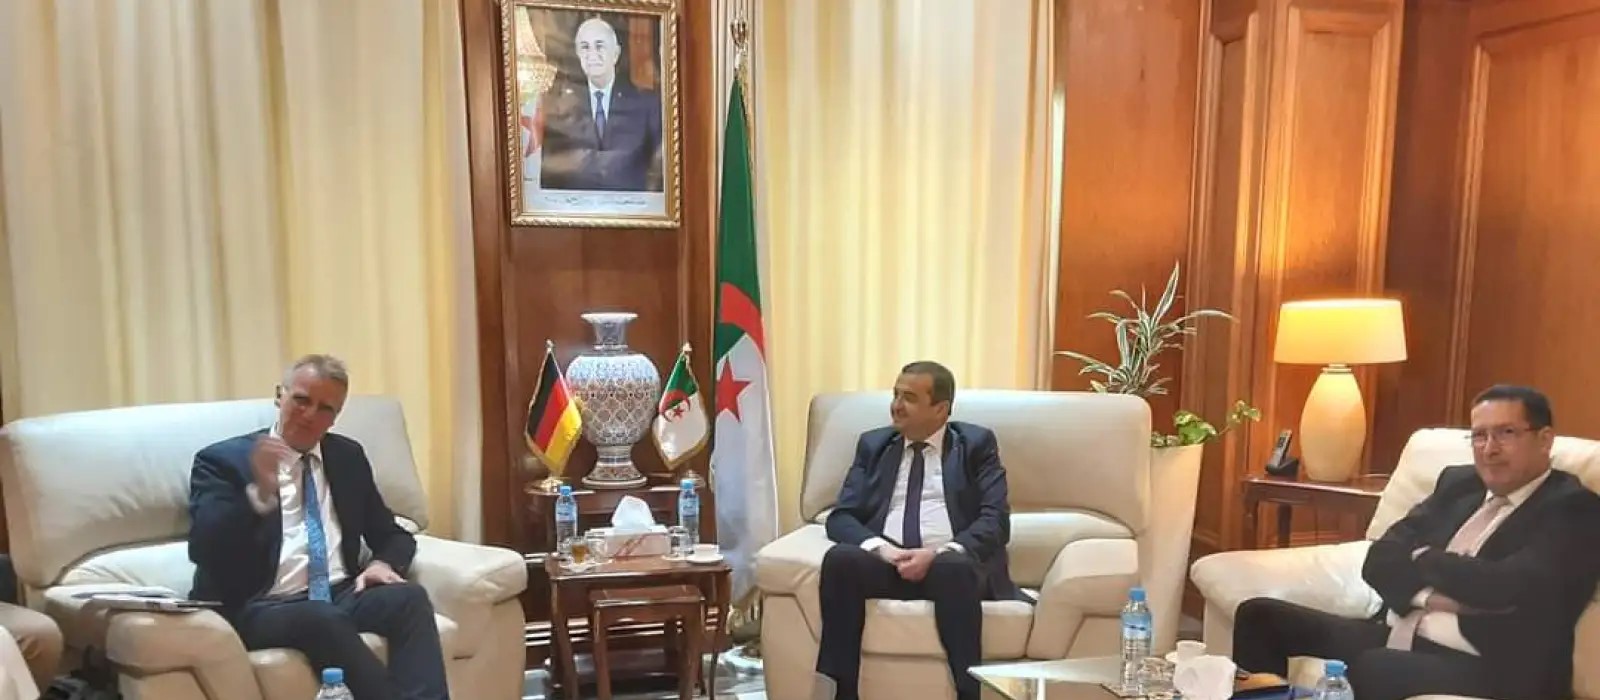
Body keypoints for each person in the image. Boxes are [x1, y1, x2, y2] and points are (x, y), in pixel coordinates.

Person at [1232, 385, 1600, 700]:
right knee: (1260, 616)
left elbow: (1507, 585)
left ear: (1544, 439)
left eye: (1506, 433)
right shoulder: (1459, 484)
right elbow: (1380, 557)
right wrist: (1431, 597)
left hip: (1499, 662)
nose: (1489, 449)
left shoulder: (1574, 508)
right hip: (1404, 629)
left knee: (1377, 667)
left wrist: (1424, 558)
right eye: (1479, 435)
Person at [187, 355, 448, 700]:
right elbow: (205, 549)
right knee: (320, 618)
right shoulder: (223, 461)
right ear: (279, 396)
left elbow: (391, 534)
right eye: (301, 400)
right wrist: (260, 493)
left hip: (339, 593)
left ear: (336, 416)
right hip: (259, 605)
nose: (310, 415)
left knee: (409, 598)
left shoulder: (347, 457)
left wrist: (382, 563)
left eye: (325, 408)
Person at [816, 361, 1020, 700]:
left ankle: (969, 693)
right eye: (895, 395)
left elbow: (996, 520)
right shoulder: (874, 445)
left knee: (954, 567)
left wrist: (937, 554)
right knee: (840, 560)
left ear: (940, 409)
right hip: (889, 563)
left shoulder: (975, 445)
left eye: (909, 398)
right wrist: (882, 549)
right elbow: (841, 517)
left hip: (949, 567)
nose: (896, 406)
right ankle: (842, 693)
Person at [538, 15, 663, 192]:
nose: (592, 54)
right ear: (578, 54)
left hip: (632, 205)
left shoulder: (647, 104)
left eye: (600, 46)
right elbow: (550, 169)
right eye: (585, 47)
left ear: (616, 53)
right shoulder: (559, 106)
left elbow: (660, 171)